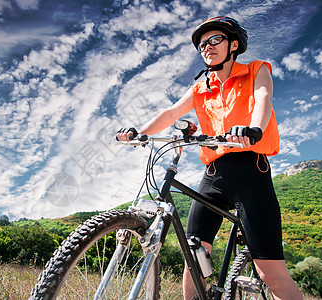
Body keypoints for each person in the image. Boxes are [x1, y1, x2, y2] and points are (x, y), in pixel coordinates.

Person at [117, 16, 303, 300]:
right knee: (193, 257)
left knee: (270, 273)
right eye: (203, 44)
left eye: (215, 40)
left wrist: (253, 128)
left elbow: (263, 97)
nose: (207, 47)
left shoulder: (257, 69)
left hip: (250, 170)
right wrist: (138, 133)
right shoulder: (201, 88)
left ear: (234, 45)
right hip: (213, 176)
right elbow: (170, 113)